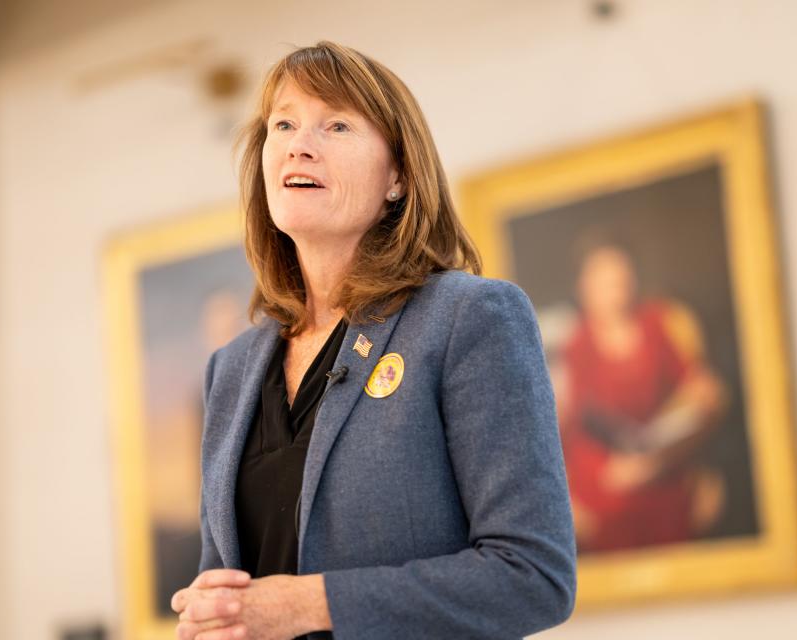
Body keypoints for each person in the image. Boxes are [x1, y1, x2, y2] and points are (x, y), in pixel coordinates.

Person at [169, 41, 576, 640]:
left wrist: (310, 605)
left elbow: (533, 577)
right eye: (284, 123)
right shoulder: (228, 371)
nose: (298, 143)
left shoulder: (469, 317)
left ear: (399, 177)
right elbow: (231, 590)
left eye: (335, 124)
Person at [556, 239, 728, 552]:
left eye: (620, 279)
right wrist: (566, 500)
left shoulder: (660, 324)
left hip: (665, 476)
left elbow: (699, 395)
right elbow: (561, 430)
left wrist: (668, 461)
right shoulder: (571, 347)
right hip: (600, 491)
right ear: (584, 287)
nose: (615, 289)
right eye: (604, 281)